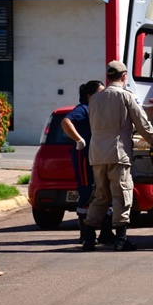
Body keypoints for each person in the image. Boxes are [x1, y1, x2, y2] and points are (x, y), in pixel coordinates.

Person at [83, 61, 153, 251]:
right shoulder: (126, 96)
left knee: (100, 196)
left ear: (108, 77)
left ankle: (88, 237)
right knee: (122, 194)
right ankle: (121, 239)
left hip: (97, 154)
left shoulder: (95, 98)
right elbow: (142, 123)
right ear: (124, 76)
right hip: (118, 153)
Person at [61, 80, 114, 246]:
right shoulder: (83, 109)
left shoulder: (99, 109)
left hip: (99, 156)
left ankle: (106, 232)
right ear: (89, 95)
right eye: (99, 93)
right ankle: (85, 233)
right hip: (84, 156)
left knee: (106, 192)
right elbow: (65, 122)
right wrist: (79, 139)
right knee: (87, 192)